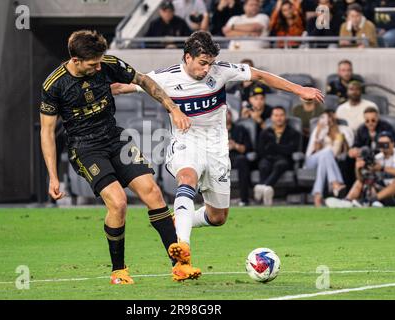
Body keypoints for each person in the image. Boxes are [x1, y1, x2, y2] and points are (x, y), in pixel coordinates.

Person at [112, 31, 323, 268]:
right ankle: (181, 250)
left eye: (210, 64)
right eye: (202, 63)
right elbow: (122, 87)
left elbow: (260, 76)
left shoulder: (220, 70)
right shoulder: (164, 77)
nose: (206, 69)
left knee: (217, 217)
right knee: (187, 178)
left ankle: (181, 218)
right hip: (186, 142)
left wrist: (299, 90)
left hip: (217, 147)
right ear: (187, 57)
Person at [40, 30, 200, 285]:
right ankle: (119, 271)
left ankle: (180, 265)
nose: (99, 66)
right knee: (119, 202)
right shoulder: (54, 85)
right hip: (85, 148)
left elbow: (144, 80)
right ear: (76, 60)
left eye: (100, 61)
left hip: (115, 139)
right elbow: (47, 132)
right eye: (93, 64)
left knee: (153, 192)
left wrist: (172, 107)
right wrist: (52, 176)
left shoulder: (109, 64)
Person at [254, 106, 302, 206]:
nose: (279, 118)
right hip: (268, 158)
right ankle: (266, 191)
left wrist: (273, 147)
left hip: (284, 159)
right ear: (271, 118)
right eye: (276, 115)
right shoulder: (265, 133)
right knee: (263, 165)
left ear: (285, 117)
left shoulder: (293, 133)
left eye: (281, 115)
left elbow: (291, 150)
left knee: (280, 165)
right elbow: (261, 151)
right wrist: (280, 148)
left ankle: (264, 186)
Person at [304, 110, 353, 206]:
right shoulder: (318, 130)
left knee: (325, 157)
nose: (327, 121)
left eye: (330, 118)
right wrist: (319, 133)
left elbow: (342, 151)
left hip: (328, 161)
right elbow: (315, 151)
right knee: (327, 152)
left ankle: (317, 195)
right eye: (324, 118)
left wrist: (336, 134)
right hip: (311, 160)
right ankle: (336, 183)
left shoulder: (343, 130)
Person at [340, 131, 395, 207]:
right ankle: (347, 201)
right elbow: (361, 179)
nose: (383, 147)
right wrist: (358, 168)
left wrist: (382, 168)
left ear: (392, 143)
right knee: (365, 180)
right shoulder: (377, 158)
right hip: (384, 193)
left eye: (385, 144)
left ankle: (370, 201)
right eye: (380, 145)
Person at [227, 108, 253, 206]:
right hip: (219, 157)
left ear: (231, 115)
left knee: (243, 160)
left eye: (227, 113)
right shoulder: (214, 130)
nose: (225, 116)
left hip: (236, 156)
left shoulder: (240, 129)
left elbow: (248, 148)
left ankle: (244, 199)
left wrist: (235, 145)